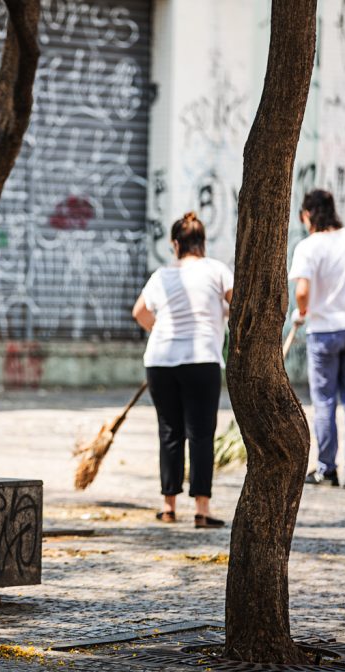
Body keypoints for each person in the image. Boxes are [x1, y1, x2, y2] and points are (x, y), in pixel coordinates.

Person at [132, 212, 232, 529]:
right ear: (202, 243)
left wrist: (163, 333)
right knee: (201, 434)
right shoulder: (217, 270)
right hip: (202, 358)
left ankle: (168, 506)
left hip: (160, 361)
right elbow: (238, 302)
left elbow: (140, 313)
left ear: (175, 245)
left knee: (169, 432)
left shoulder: (161, 276)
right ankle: (201, 510)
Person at [289, 190, 345, 491]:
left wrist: (302, 312)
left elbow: (302, 291)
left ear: (308, 215)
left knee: (325, 401)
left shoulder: (309, 246)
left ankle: (326, 469)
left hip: (324, 330)